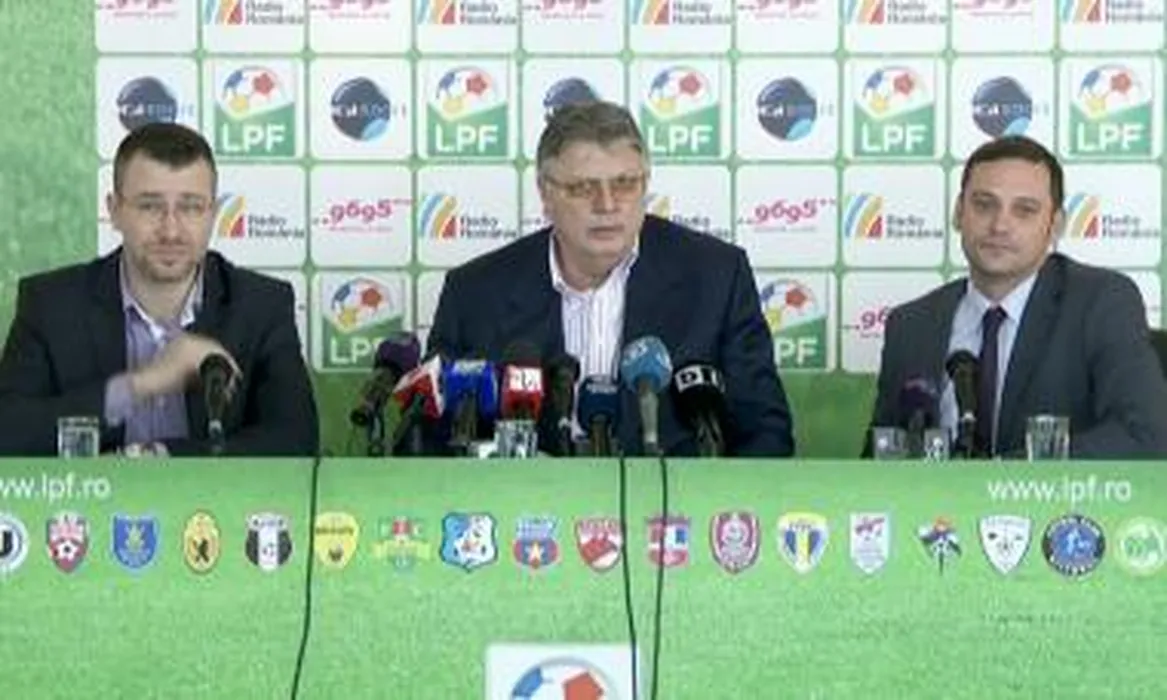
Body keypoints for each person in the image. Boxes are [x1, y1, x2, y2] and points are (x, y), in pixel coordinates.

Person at [427, 100, 794, 457]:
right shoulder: (475, 293)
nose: (607, 204)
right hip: (524, 497)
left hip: (672, 497)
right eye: (583, 188)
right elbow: (433, 442)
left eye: (624, 183)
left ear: (645, 184)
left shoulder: (716, 277)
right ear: (545, 192)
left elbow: (765, 435)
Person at [0, 122, 319, 457]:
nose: (170, 231)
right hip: (90, 494)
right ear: (114, 211)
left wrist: (159, 456)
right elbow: (7, 432)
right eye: (150, 206)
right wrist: (142, 383)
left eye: (190, 207)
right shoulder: (52, 304)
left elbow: (296, 441)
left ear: (212, 214)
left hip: (203, 493)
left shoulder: (260, 306)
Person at [865, 134, 1167, 459]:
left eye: (1024, 210)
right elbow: (879, 459)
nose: (1000, 225)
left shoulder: (1100, 304)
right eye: (984, 205)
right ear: (958, 212)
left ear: (1054, 226)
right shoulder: (911, 325)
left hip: (1056, 494)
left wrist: (1002, 478)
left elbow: (1144, 435)